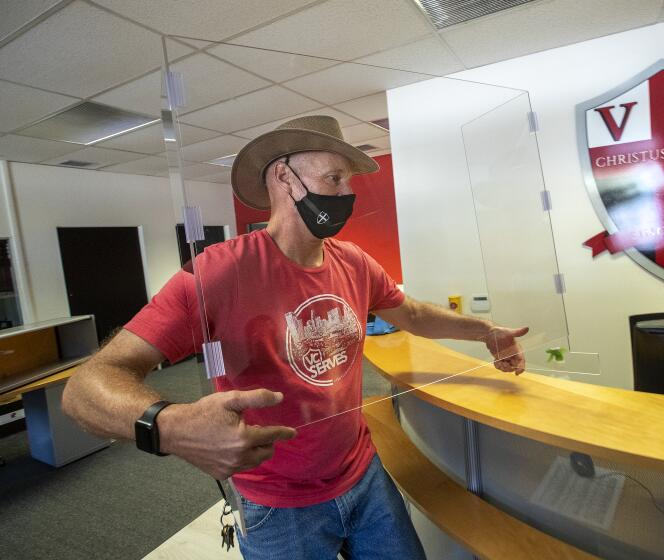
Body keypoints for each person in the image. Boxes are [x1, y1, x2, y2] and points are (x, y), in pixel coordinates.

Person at [62, 115, 528, 560]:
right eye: (334, 178)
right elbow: (85, 387)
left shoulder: (354, 262)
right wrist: (169, 426)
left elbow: (411, 313)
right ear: (285, 178)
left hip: (364, 475)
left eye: (348, 181)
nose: (348, 193)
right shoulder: (217, 274)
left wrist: (484, 332)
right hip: (278, 505)